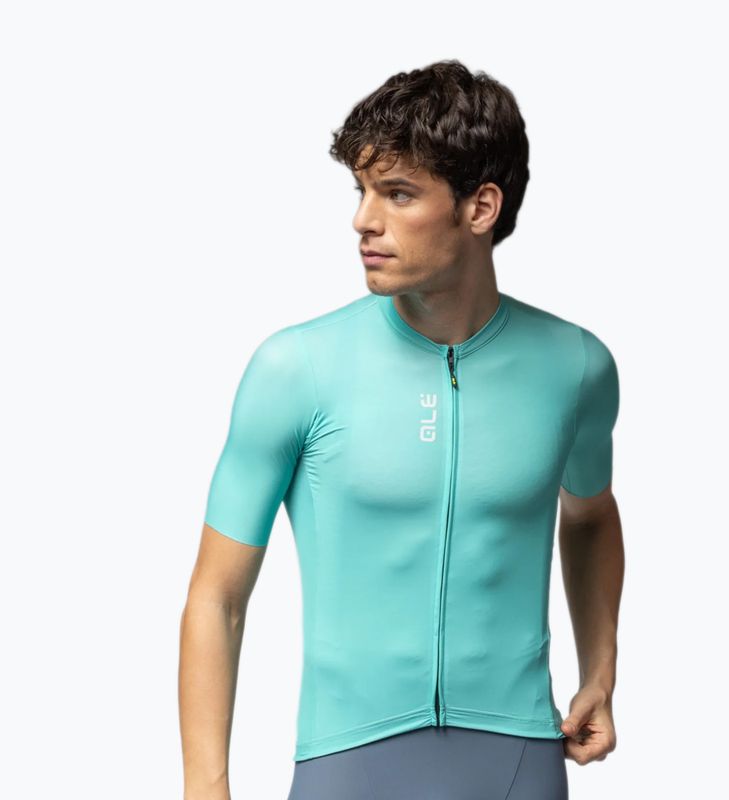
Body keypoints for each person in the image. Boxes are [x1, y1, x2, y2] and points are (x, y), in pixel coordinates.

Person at [179, 59, 624, 800]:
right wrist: (205, 789)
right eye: (361, 191)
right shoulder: (297, 369)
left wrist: (600, 673)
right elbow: (215, 599)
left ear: (481, 208)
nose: (363, 219)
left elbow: (591, 515)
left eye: (398, 193)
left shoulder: (575, 367)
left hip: (519, 762)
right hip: (348, 760)